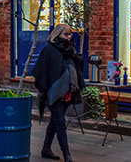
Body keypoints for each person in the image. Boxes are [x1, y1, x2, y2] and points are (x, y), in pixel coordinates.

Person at [32, 24, 84, 162]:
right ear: (58, 34)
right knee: (60, 123)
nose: (69, 37)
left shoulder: (69, 50)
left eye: (70, 34)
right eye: (66, 34)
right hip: (54, 93)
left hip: (68, 92)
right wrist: (47, 90)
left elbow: (74, 67)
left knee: (55, 122)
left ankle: (46, 149)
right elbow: (43, 71)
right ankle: (67, 154)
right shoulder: (49, 49)